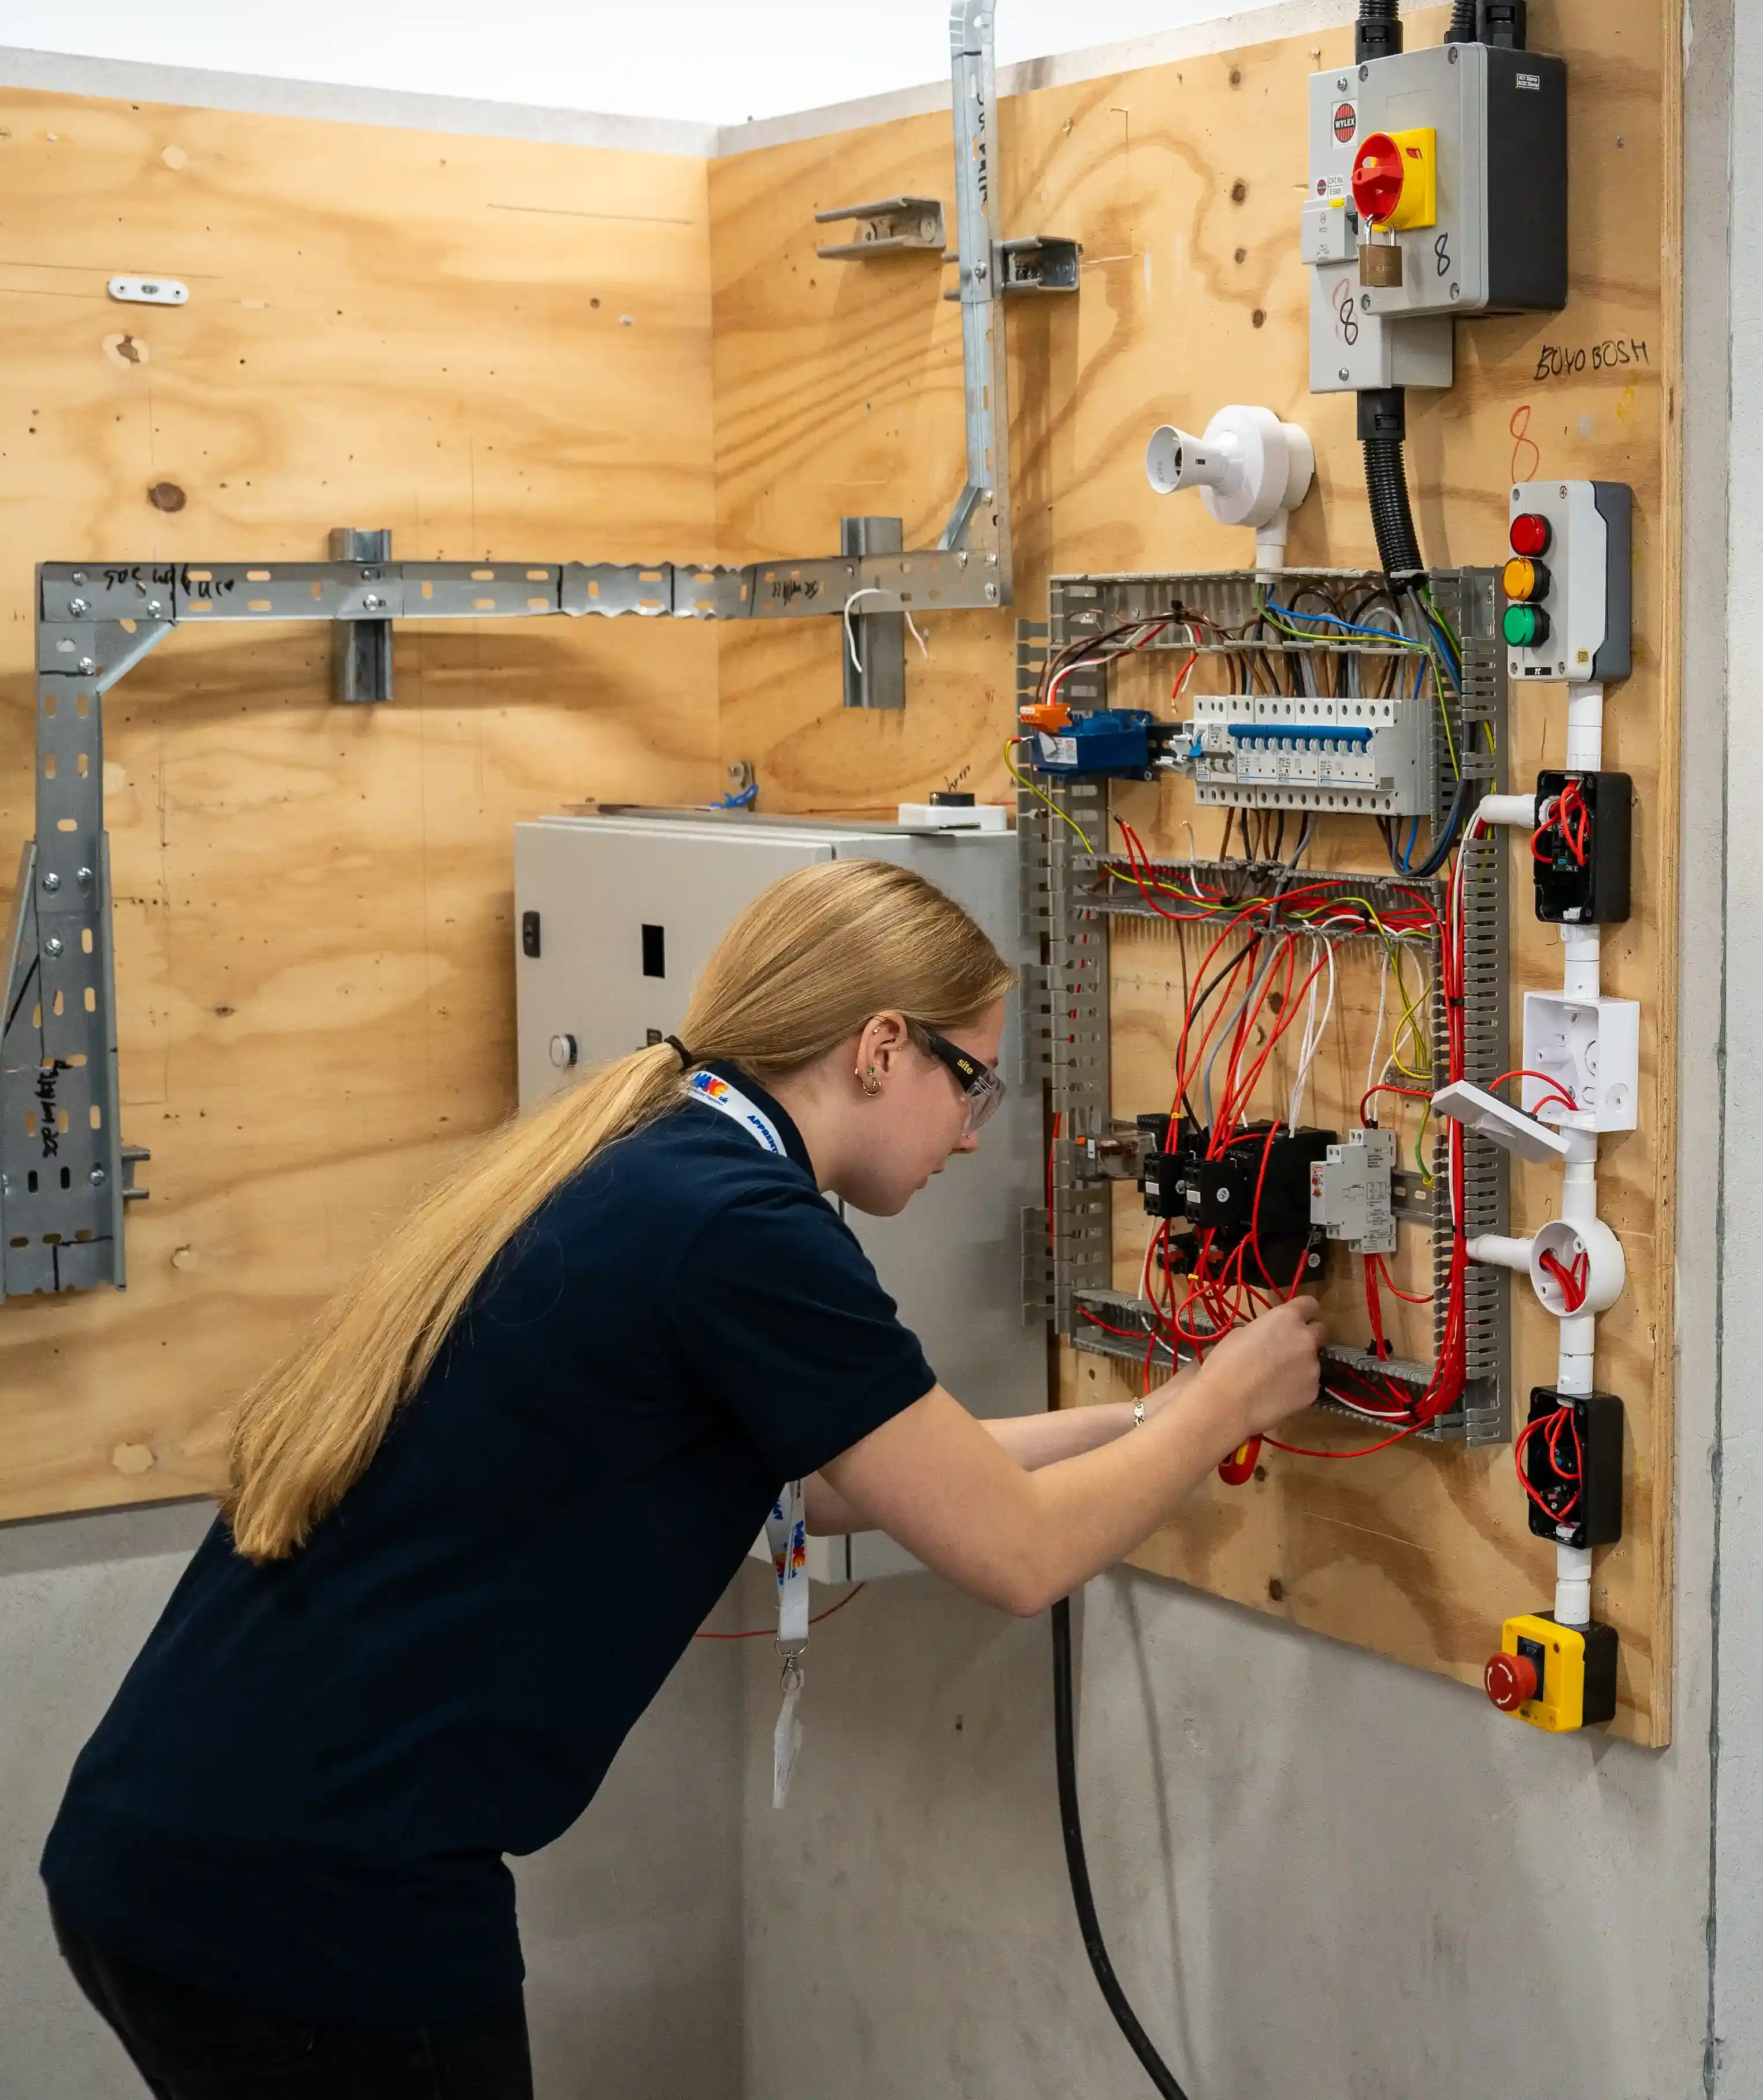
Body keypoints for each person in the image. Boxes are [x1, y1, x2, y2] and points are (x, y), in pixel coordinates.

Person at [40, 859, 1326, 2098]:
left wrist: (1148, 1415)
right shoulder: (743, 1230)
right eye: (973, 1084)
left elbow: (855, 1480)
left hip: (179, 1840)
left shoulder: (660, 1154)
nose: (975, 1136)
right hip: (320, 1897)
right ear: (882, 1047)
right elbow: (1020, 1554)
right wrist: (1226, 1400)